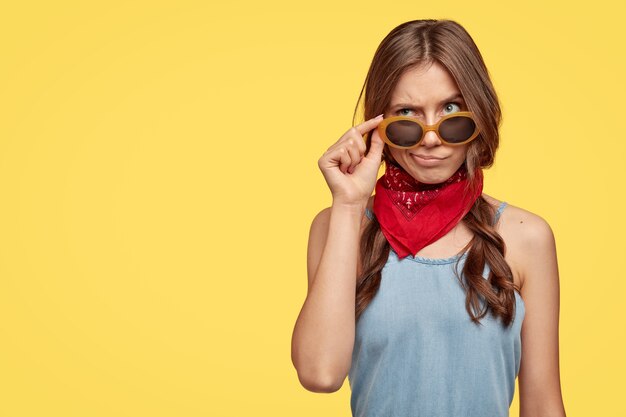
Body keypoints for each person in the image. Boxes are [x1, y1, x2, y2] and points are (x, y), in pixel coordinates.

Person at [291, 19, 566, 417]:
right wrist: (349, 206)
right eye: (407, 114)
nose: (432, 137)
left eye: (451, 110)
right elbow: (319, 373)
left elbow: (542, 405)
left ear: (478, 113)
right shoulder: (340, 224)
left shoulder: (526, 237)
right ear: (378, 124)